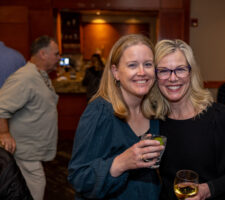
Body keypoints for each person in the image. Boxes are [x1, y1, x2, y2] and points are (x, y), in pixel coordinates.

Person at [150, 39, 225, 200]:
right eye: (164, 71)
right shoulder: (154, 119)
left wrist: (208, 189)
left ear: (191, 72)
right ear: (156, 76)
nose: (172, 78)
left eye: (180, 69)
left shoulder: (218, 117)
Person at [68, 34, 164, 200]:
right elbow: (79, 178)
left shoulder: (154, 111)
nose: (142, 72)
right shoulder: (100, 112)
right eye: (132, 65)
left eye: (148, 64)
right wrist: (121, 163)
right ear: (115, 72)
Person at [0, 35, 60, 200]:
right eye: (56, 54)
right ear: (43, 53)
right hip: (25, 152)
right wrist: (4, 133)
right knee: (34, 190)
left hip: (33, 151)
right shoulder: (24, 77)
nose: (58, 58)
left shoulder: (39, 75)